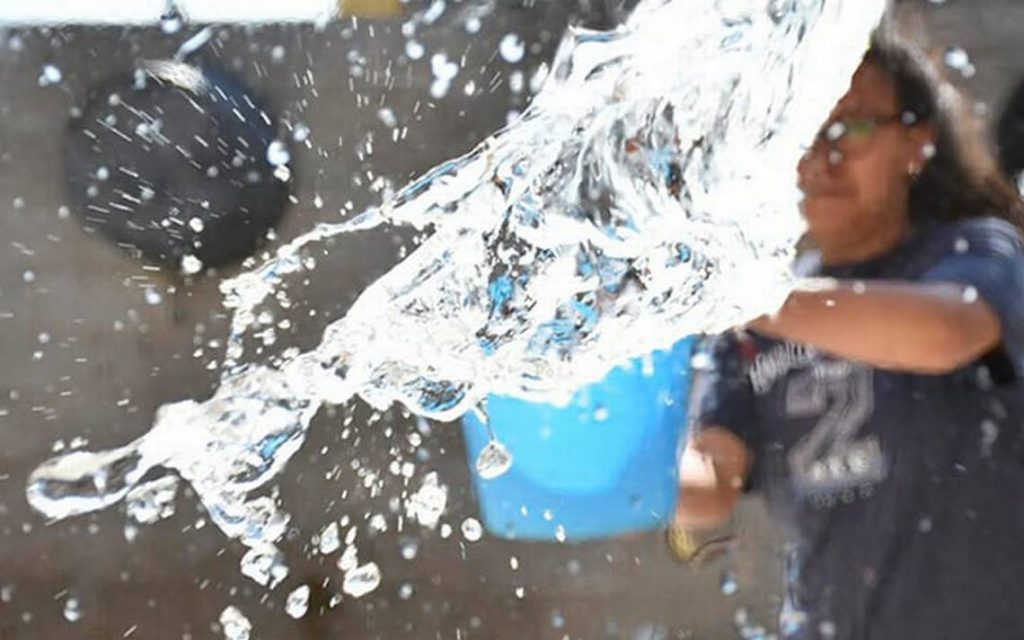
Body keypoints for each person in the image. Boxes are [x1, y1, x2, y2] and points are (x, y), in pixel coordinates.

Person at [675, 26, 1024, 640]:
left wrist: (738, 294)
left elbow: (946, 333)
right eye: (802, 131)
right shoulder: (749, 327)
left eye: (853, 127)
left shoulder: (978, 253)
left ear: (917, 143)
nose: (822, 155)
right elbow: (711, 484)